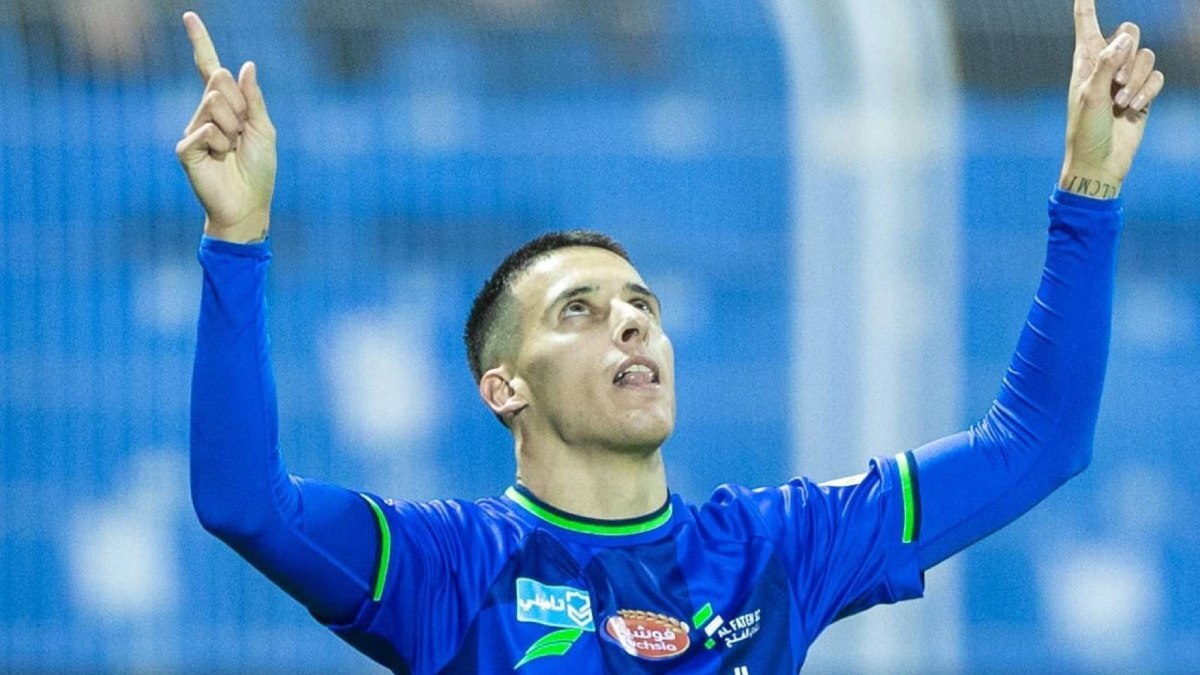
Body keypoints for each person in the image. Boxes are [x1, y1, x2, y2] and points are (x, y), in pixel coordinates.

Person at [179, 2, 1164, 672]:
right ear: (504, 387)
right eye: (579, 309)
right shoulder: (451, 568)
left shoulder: (777, 549)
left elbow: (1037, 444)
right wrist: (237, 236)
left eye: (641, 304)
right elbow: (243, 504)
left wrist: (1089, 189)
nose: (631, 320)